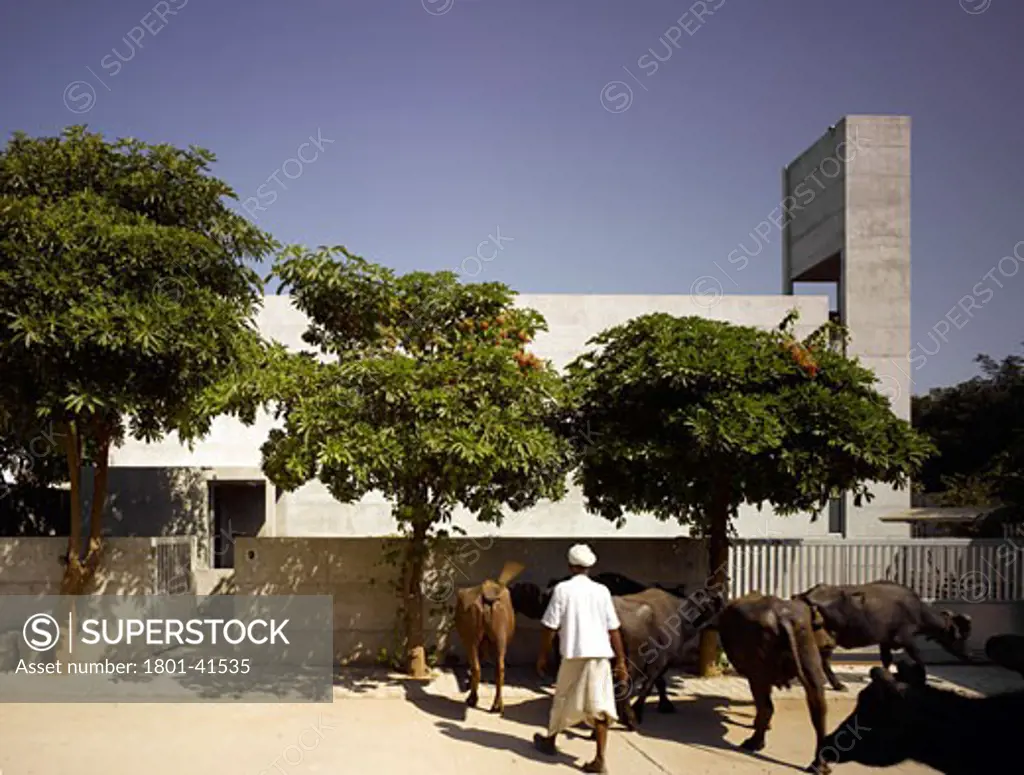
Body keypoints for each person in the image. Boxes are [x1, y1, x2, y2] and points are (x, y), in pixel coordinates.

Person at [533, 543, 628, 774]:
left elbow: (550, 626)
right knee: (601, 705)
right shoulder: (602, 591)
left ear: (569, 565)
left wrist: (543, 655)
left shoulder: (562, 590)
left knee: (562, 699)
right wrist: (621, 661)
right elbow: (613, 628)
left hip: (574, 654)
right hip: (600, 656)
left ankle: (551, 740)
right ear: (590, 567)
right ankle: (600, 759)